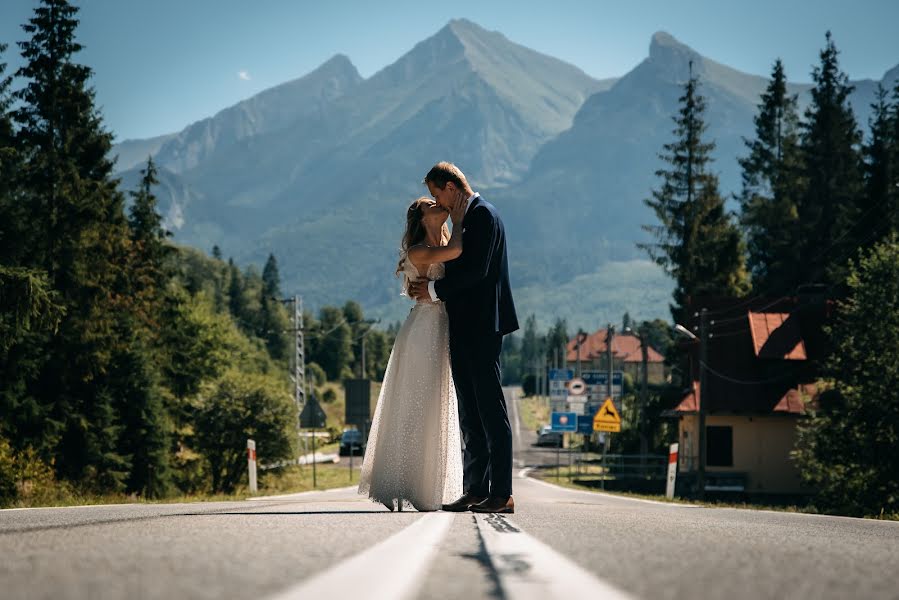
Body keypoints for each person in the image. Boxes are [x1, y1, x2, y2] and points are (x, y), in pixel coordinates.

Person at [408, 162, 519, 514]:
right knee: (470, 412)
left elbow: (477, 271)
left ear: (452, 187)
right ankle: (475, 488)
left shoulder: (483, 216)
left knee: (490, 409)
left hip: (483, 326)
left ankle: (501, 494)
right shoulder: (468, 219)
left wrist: (433, 291)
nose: (436, 201)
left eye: (437, 193)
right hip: (464, 325)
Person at [358, 196, 467, 511]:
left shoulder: (443, 242)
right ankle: (396, 483)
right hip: (422, 332)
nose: (437, 205)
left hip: (443, 329)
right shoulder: (421, 250)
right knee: (413, 405)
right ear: (421, 218)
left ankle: (422, 484)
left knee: (434, 405)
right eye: (429, 205)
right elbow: (457, 253)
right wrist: (459, 218)